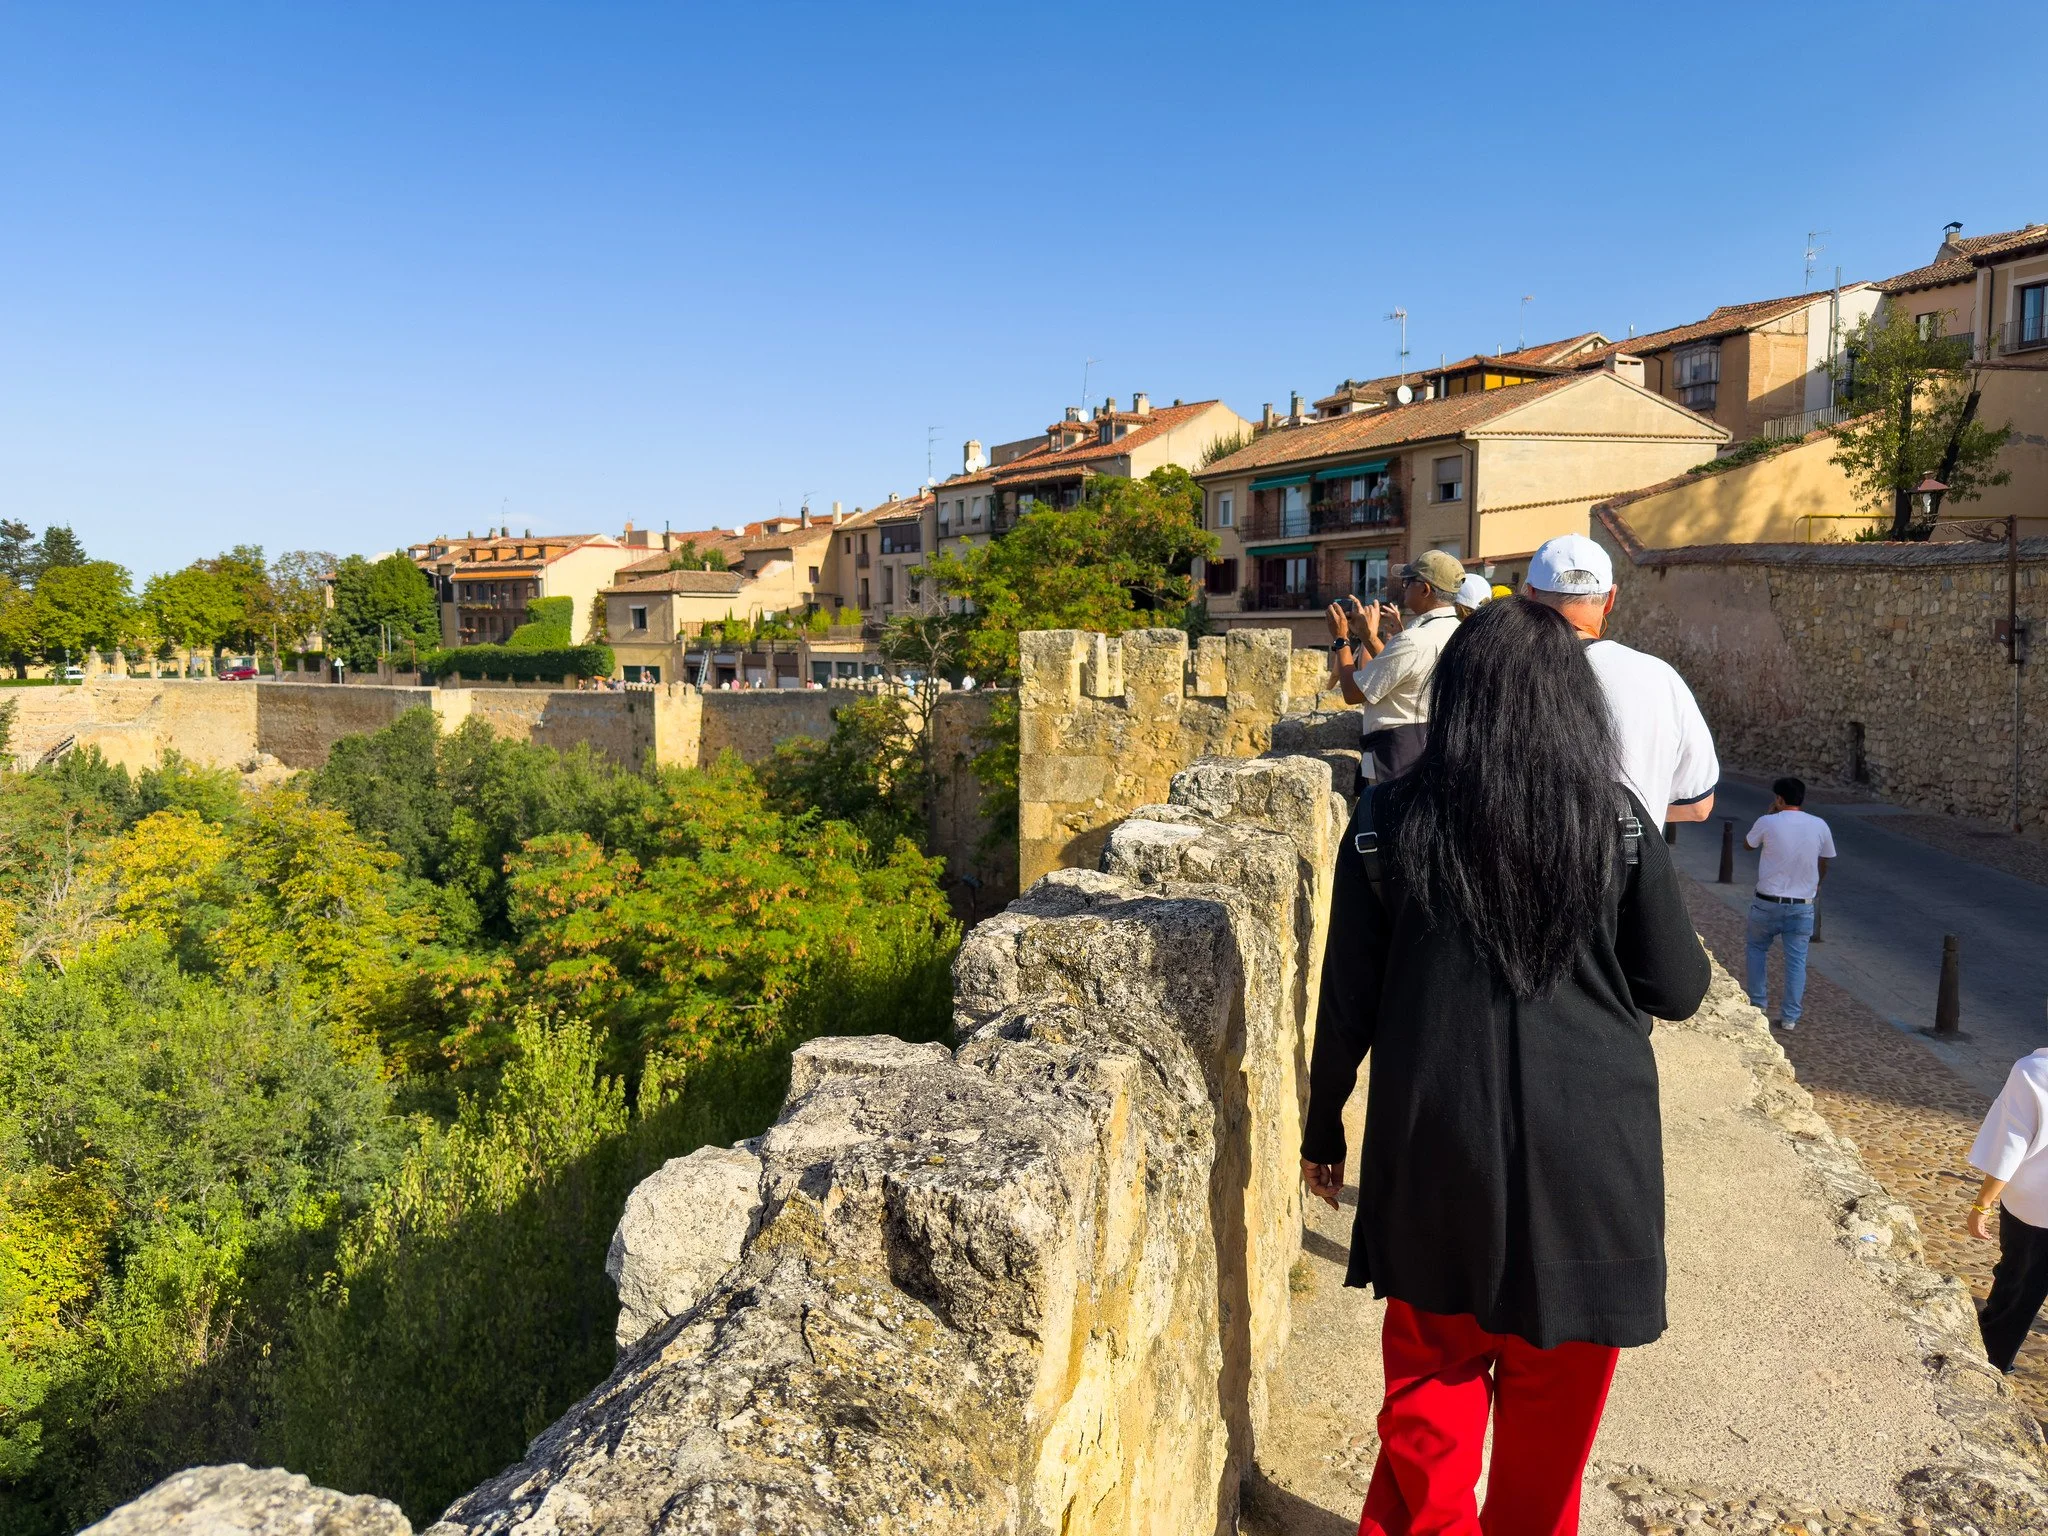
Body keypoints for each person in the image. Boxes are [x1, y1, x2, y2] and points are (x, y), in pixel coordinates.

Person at [1302, 598, 1711, 1535]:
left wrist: (1324, 1127)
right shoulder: (1617, 823)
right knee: (1553, 1432)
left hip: (1435, 1143)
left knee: (1431, 1387)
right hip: (1590, 1162)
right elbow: (1679, 989)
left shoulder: (1384, 821)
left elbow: (1347, 1001)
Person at [1523, 533, 1719, 827]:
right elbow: (1698, 806)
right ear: (1610, 598)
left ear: (1528, 595)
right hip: (1625, 868)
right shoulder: (1661, 678)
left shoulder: (1502, 672)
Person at [1324, 549, 1465, 782]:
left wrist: (1341, 639)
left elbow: (1352, 692)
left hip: (1395, 759)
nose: (1404, 586)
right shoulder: (1459, 632)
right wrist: (1368, 636)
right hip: (1430, 750)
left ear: (1425, 589)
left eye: (1408, 581)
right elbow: (1400, 671)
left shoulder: (1414, 640)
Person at [1967, 1046, 2048, 1374]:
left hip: (2035, 1206)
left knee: (2019, 1280)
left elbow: (2010, 1142)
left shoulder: (2035, 1071)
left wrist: (1982, 1202)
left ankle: (1992, 1360)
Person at [1742, 777, 1834, 1030]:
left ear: (1779, 799)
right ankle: (1790, 1017)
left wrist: (1770, 815)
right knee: (1796, 961)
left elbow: (1748, 845)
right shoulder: (1819, 825)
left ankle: (1758, 1004)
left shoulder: (1768, 821)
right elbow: (1824, 860)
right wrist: (1815, 884)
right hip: (1802, 904)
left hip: (1767, 902)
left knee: (1757, 950)